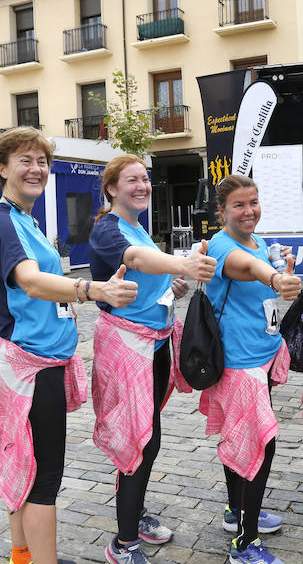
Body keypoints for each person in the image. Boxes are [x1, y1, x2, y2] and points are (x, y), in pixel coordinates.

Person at [0, 127, 138, 564]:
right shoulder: (0, 222)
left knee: (26, 463)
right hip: (31, 364)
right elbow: (29, 282)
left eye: (42, 161)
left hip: (41, 360)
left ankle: (23, 556)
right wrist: (93, 290)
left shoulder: (25, 219)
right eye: (25, 160)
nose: (36, 168)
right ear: (2, 169)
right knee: (43, 476)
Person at [88, 154, 217, 564]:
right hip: (128, 348)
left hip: (155, 345)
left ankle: (134, 512)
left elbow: (147, 277)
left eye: (145, 179)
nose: (142, 186)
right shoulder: (109, 228)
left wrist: (171, 288)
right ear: (111, 188)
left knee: (148, 437)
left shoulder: (139, 227)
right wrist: (184, 264)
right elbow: (136, 261)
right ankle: (123, 544)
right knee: (139, 440)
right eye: (132, 180)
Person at [200, 174, 301, 564]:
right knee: (259, 445)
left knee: (239, 438)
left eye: (253, 202)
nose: (249, 211)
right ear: (222, 211)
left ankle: (236, 512)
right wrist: (275, 276)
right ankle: (245, 543)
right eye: (239, 205)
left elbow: (260, 270)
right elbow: (246, 268)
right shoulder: (225, 245)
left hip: (260, 354)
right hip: (240, 363)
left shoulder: (258, 242)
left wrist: (280, 271)